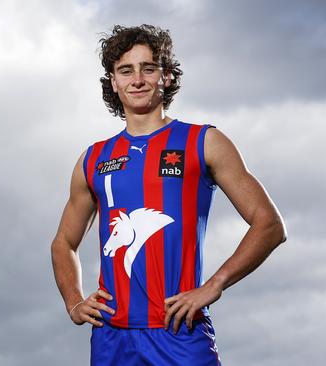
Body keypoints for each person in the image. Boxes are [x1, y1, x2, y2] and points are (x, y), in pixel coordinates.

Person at [50, 24, 286, 365]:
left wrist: (215, 283)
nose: (138, 79)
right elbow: (62, 243)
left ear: (168, 77)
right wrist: (73, 300)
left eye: (149, 68)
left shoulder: (203, 142)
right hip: (111, 336)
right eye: (126, 71)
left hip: (179, 330)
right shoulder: (93, 159)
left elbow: (270, 225)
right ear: (113, 82)